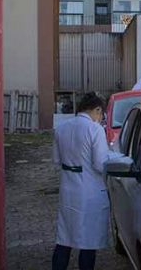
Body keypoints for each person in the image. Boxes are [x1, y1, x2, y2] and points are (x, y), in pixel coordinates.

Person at [52, 92, 112, 270]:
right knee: (88, 242)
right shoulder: (95, 129)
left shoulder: (61, 128)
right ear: (97, 110)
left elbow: (56, 160)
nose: (100, 118)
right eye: (101, 114)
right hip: (90, 191)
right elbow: (100, 164)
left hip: (68, 189)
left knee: (65, 238)